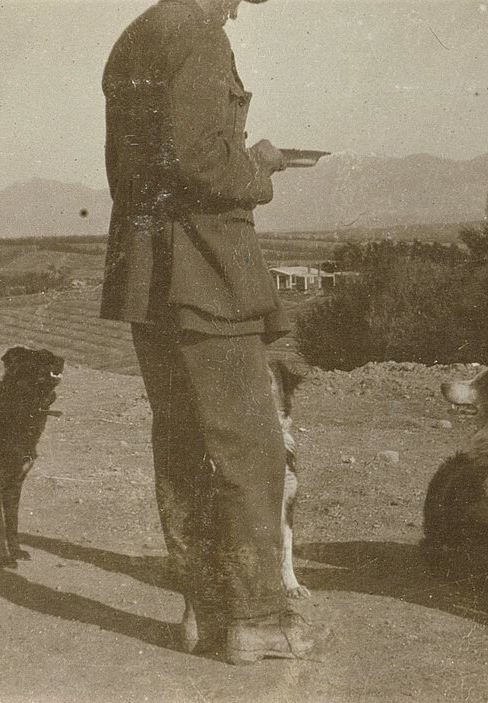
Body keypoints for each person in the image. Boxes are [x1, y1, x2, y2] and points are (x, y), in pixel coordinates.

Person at [100, 0, 330, 665]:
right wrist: (259, 169)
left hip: (148, 276)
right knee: (247, 449)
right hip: (204, 272)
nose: (238, 8)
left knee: (181, 445)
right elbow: (200, 159)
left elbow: (137, 167)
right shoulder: (198, 38)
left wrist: (244, 155)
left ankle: (205, 612)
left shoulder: (136, 36)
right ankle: (257, 617)